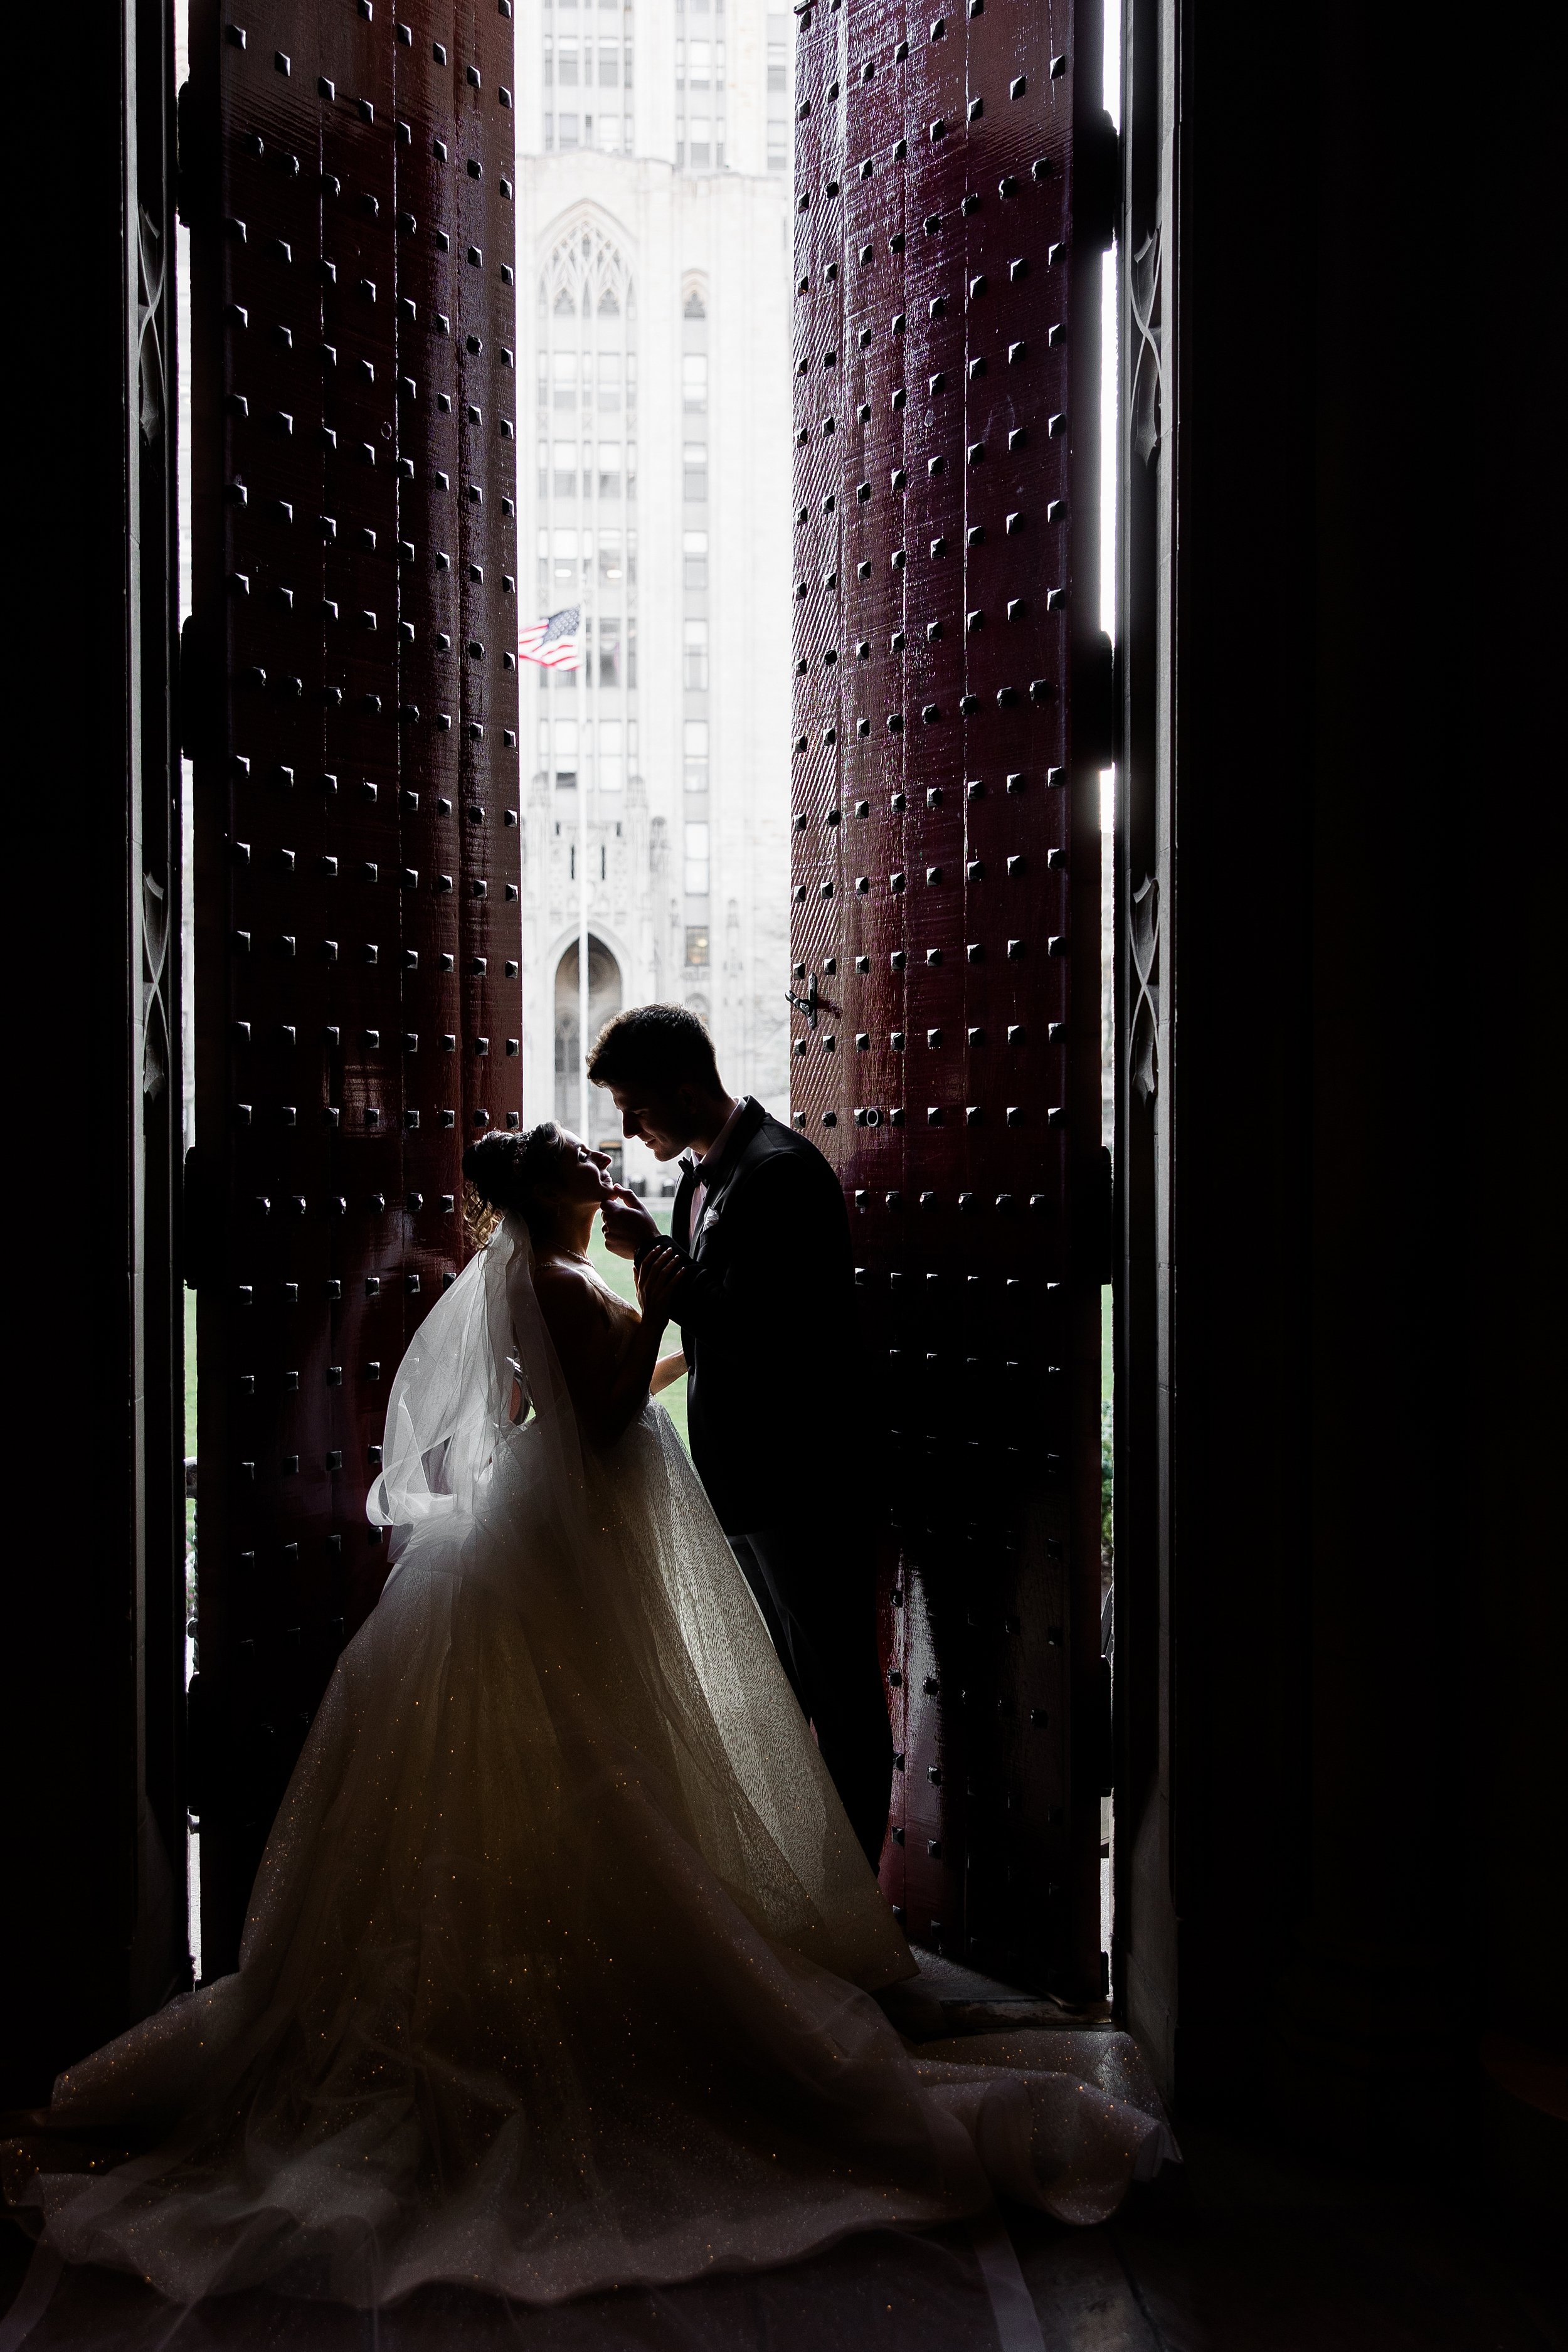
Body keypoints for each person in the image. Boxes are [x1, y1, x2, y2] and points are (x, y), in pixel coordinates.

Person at [2, 1123, 1173, 2314]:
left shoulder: (549, 1280)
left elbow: (598, 1391)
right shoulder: (557, 1281)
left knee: (608, 1753)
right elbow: (606, 1414)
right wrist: (662, 1305)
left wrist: (664, 1325)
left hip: (566, 1532)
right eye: (585, 1168)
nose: (607, 1176)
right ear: (547, 1197)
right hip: (571, 1540)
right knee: (600, 1751)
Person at [587, 1004, 894, 1868]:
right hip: (742, 1483)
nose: (626, 1127)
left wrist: (653, 1257)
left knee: (840, 1700)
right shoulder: (698, 1178)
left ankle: (857, 1906)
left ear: (686, 1087)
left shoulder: (781, 1174)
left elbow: (762, 1329)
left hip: (803, 1479)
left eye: (635, 1106)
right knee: (778, 1696)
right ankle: (804, 1890)